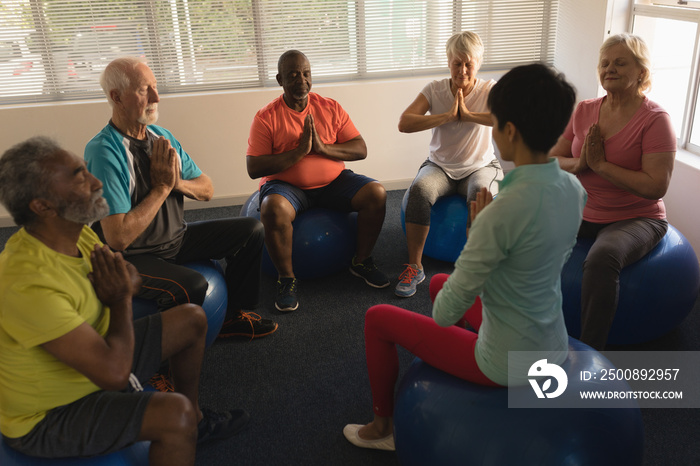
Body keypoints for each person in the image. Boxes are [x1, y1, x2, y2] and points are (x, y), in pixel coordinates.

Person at [343, 63, 586, 451]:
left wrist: (476, 237)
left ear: (508, 131)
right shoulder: (573, 189)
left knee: (377, 318)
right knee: (437, 282)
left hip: (506, 363)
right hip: (551, 341)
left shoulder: (502, 211)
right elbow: (534, 261)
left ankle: (381, 428)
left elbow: (443, 315)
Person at [0, 137, 248, 465]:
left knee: (191, 319)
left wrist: (124, 288)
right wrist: (120, 298)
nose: (96, 182)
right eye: (78, 176)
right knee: (175, 415)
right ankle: (187, 422)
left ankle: (198, 423)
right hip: (49, 416)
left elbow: (128, 274)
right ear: (42, 206)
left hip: (97, 357)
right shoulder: (26, 282)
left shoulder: (78, 234)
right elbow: (115, 372)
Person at [85, 57, 277, 339]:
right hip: (131, 255)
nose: (156, 97)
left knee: (251, 230)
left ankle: (231, 317)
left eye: (155, 87)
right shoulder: (104, 151)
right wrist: (162, 189)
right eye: (143, 90)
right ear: (116, 97)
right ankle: (158, 363)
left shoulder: (161, 137)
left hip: (175, 239)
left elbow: (207, 189)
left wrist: (177, 184)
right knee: (193, 286)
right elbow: (118, 238)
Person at [550, 33, 676, 350]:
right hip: (583, 209)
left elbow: (655, 186)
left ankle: (589, 353)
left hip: (636, 218)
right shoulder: (584, 110)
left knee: (603, 258)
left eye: (621, 63)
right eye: (605, 63)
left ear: (641, 72)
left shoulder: (656, 120)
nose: (610, 68)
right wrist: (579, 164)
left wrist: (602, 166)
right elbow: (551, 156)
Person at [246, 49, 389, 312]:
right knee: (272, 209)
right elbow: (254, 167)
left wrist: (323, 149)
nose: (302, 80)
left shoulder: (330, 107)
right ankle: (286, 279)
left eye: (306, 73)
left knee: (377, 193)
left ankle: (361, 261)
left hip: (334, 182)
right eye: (293, 75)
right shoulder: (266, 117)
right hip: (287, 187)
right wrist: (298, 153)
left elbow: (360, 149)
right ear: (280, 80)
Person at [395, 31, 503, 298]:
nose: (463, 70)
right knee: (419, 191)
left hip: (480, 166)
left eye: (469, 63)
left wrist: (468, 115)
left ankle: (472, 270)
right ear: (448, 61)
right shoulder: (435, 89)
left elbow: (509, 119)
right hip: (440, 166)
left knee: (481, 194)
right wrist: (445, 117)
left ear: (478, 63)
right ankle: (415, 266)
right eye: (457, 63)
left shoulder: (490, 89)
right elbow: (404, 122)